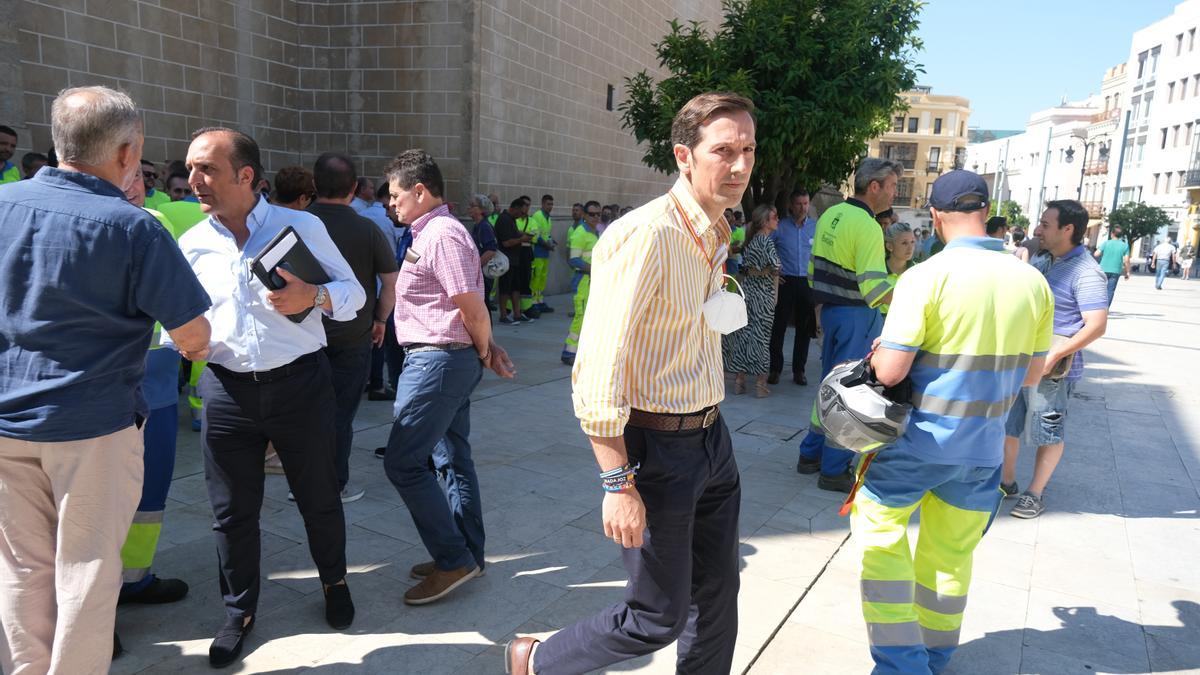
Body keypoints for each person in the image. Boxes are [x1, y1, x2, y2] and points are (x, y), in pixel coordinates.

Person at [506, 91, 754, 675]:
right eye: (723, 150)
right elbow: (597, 366)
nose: (740, 165)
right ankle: (535, 661)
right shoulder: (645, 234)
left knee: (718, 595)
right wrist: (616, 481)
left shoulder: (717, 231)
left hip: (712, 438)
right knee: (656, 614)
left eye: (748, 149)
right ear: (684, 156)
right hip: (656, 449)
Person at [0, 86, 212, 674]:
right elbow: (192, 335)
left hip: (5, 421)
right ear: (127, 152)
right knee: (87, 574)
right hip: (92, 427)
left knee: (20, 570)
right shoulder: (132, 227)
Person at [175, 127, 364, 667]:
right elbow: (179, 319)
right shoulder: (192, 243)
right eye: (191, 168)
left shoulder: (299, 225)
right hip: (227, 391)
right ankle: (239, 612)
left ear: (246, 175)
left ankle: (334, 583)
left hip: (300, 385)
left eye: (206, 169)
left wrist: (315, 294)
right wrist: (184, 342)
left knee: (318, 497)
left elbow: (353, 295)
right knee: (231, 513)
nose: (193, 180)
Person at [852, 170, 1053, 675]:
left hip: (916, 444)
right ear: (986, 212)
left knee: (879, 536)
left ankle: (902, 665)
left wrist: (881, 355)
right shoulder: (1032, 282)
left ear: (936, 216)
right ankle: (935, 658)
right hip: (983, 451)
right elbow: (1031, 373)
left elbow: (892, 371)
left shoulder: (925, 276)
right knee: (950, 560)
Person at [380, 149, 516, 606]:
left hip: (438, 361)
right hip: (443, 358)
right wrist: (483, 349)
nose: (391, 203)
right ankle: (465, 554)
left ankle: (453, 557)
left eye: (396, 195)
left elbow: (471, 305)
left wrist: (485, 350)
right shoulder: (434, 231)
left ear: (420, 191)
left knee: (403, 461)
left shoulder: (442, 234)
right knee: (451, 458)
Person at [796, 158, 899, 492]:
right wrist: (910, 298)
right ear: (874, 187)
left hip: (831, 312)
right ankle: (834, 468)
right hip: (857, 315)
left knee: (830, 385)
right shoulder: (868, 226)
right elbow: (874, 289)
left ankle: (810, 454)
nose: (894, 193)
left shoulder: (830, 214)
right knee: (853, 393)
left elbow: (813, 272)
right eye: (893, 186)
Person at [1002, 199, 1108, 519]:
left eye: (1046, 224)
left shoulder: (1086, 272)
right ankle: (1006, 482)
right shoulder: (1046, 260)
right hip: (1024, 358)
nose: (1038, 229)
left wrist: (1055, 354)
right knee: (1009, 423)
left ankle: (1035, 494)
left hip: (1052, 369)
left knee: (1047, 430)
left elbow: (1097, 325)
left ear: (1068, 229)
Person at [308, 152, 400, 504]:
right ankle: (335, 483)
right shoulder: (368, 229)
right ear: (353, 188)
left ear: (314, 185)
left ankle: (302, 483)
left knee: (306, 414)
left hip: (303, 338)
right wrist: (379, 319)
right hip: (353, 335)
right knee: (341, 415)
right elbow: (390, 283)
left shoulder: (297, 222)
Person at [723, 203, 780, 398]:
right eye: (774, 217)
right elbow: (775, 267)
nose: (777, 220)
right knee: (762, 338)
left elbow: (746, 267)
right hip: (763, 294)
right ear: (765, 221)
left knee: (744, 336)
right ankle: (760, 384)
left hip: (748, 292)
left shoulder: (750, 240)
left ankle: (739, 381)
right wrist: (773, 286)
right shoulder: (766, 241)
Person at [769, 189, 817, 386]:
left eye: (806, 204)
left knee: (804, 328)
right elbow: (766, 247)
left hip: (807, 282)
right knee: (778, 326)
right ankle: (775, 369)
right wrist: (773, 270)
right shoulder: (780, 227)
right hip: (786, 281)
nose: (803, 208)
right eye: (799, 204)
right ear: (791, 205)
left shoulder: (815, 227)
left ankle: (799, 370)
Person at [561, 200, 602, 365]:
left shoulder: (595, 232)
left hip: (593, 281)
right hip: (583, 282)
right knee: (581, 316)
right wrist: (594, 268)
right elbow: (574, 260)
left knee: (589, 317)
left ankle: (582, 351)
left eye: (598, 214)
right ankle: (568, 352)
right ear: (584, 215)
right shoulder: (580, 233)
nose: (596, 217)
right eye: (592, 214)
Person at [493, 197, 533, 324]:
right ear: (515, 209)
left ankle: (517, 314)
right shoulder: (504, 220)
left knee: (516, 288)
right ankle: (503, 315)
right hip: (505, 260)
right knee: (505, 288)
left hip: (515, 260)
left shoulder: (511, 219)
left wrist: (523, 234)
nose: (522, 215)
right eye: (521, 212)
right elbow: (506, 243)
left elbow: (514, 234)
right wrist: (522, 239)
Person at [467, 193, 500, 309]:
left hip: (483, 275)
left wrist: (474, 267)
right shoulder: (478, 226)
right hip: (479, 273)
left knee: (483, 307)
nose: (469, 208)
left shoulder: (484, 226)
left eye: (472, 206)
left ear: (481, 210)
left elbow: (491, 250)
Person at [879, 221, 916, 318]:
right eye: (904, 243)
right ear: (889, 246)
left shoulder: (920, 271)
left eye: (912, 241)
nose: (910, 247)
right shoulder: (876, 272)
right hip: (878, 327)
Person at [528, 194, 557, 314]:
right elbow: (536, 235)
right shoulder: (537, 216)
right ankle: (533, 302)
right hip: (537, 251)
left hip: (545, 252)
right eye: (548, 204)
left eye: (551, 204)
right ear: (542, 203)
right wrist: (546, 244)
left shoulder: (548, 217)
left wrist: (552, 241)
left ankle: (540, 300)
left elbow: (546, 234)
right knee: (536, 277)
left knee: (543, 277)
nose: (550, 206)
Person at [1093, 226, 1131, 306]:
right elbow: (1126, 260)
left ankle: (1096, 308)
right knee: (1110, 291)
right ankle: (1105, 309)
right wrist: (1127, 272)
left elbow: (1096, 254)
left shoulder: (1106, 243)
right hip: (1116, 271)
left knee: (1100, 289)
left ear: (1112, 234)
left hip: (1103, 269)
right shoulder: (1125, 246)